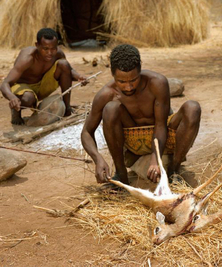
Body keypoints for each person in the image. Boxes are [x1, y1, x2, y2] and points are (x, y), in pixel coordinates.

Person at [81, 44, 201, 185]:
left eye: (133, 80)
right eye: (121, 82)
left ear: (140, 70)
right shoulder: (106, 94)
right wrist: (98, 159)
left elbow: (161, 124)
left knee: (193, 108)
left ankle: (173, 171)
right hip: (133, 142)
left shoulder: (157, 83)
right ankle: (120, 174)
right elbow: (86, 132)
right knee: (110, 109)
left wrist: (155, 158)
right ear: (113, 74)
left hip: (163, 136)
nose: (129, 87)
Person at [0, 28, 87, 125]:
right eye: (45, 49)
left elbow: (68, 71)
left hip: (42, 85)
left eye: (53, 48)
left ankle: (67, 108)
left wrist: (79, 77)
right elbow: (5, 84)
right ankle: (16, 110)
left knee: (64, 64)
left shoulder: (58, 54)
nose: (50, 53)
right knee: (28, 99)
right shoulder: (28, 58)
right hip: (23, 88)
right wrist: (12, 98)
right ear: (37, 45)